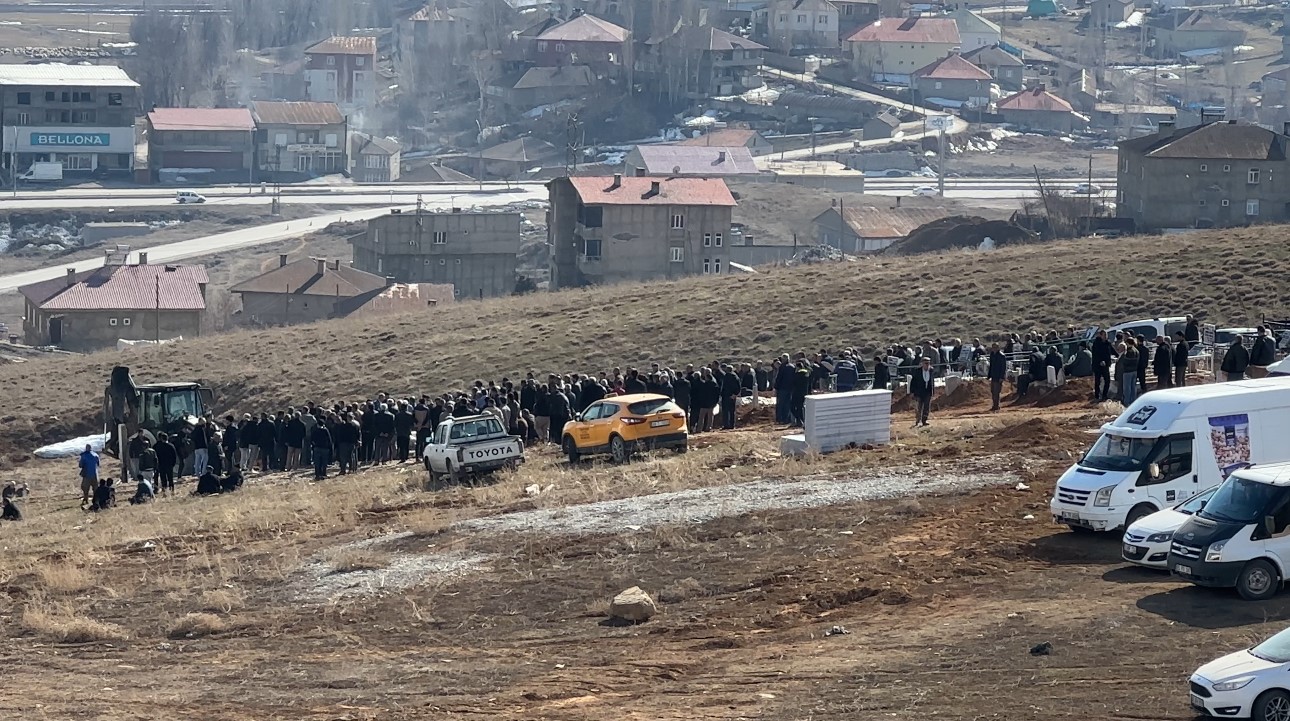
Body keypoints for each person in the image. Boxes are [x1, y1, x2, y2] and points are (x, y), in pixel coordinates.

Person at [910, 356, 935, 427]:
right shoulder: (917, 371)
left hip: (927, 391)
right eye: (926, 363)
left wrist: (932, 391)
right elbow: (913, 382)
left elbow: (932, 381)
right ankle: (918, 421)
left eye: (928, 363)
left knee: (926, 407)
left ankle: (924, 420)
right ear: (922, 364)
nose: (927, 365)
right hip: (919, 392)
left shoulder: (931, 370)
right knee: (919, 407)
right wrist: (912, 392)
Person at [1091, 330, 1115, 402]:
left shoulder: (1107, 343)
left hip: (1106, 365)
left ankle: (1105, 395)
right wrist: (1100, 361)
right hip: (1098, 365)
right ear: (1100, 335)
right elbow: (1095, 354)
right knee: (1097, 381)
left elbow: (1112, 351)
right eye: (1104, 335)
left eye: (1106, 335)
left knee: (1107, 380)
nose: (1105, 336)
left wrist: (1119, 355)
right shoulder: (1096, 343)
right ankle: (1097, 396)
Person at [154, 432, 178, 496]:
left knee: (163, 478)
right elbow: (174, 456)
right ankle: (172, 490)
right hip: (169, 465)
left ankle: (164, 490)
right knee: (170, 478)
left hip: (161, 465)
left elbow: (156, 456)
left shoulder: (158, 446)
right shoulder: (171, 446)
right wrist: (173, 463)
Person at [719, 363, 740, 430]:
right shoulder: (736, 376)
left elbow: (724, 387)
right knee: (732, 411)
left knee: (725, 411)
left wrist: (722, 394)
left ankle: (726, 425)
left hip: (726, 396)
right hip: (732, 396)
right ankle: (732, 425)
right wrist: (735, 394)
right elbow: (738, 386)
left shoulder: (727, 376)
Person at [987, 343, 1007, 412]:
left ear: (998, 348)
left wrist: (1002, 377)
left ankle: (997, 405)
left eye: (995, 347)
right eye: (993, 347)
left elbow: (1003, 367)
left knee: (997, 391)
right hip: (993, 375)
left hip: (998, 376)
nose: (994, 349)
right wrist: (989, 375)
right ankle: (994, 405)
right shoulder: (992, 355)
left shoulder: (1001, 356)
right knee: (993, 391)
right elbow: (991, 365)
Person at [1121, 339, 1141, 406]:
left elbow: (1126, 361)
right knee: (1133, 387)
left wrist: (1123, 357)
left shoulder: (1129, 351)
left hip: (1128, 371)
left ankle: (1127, 402)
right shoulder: (1136, 350)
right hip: (1135, 370)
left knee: (1127, 387)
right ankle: (1133, 401)